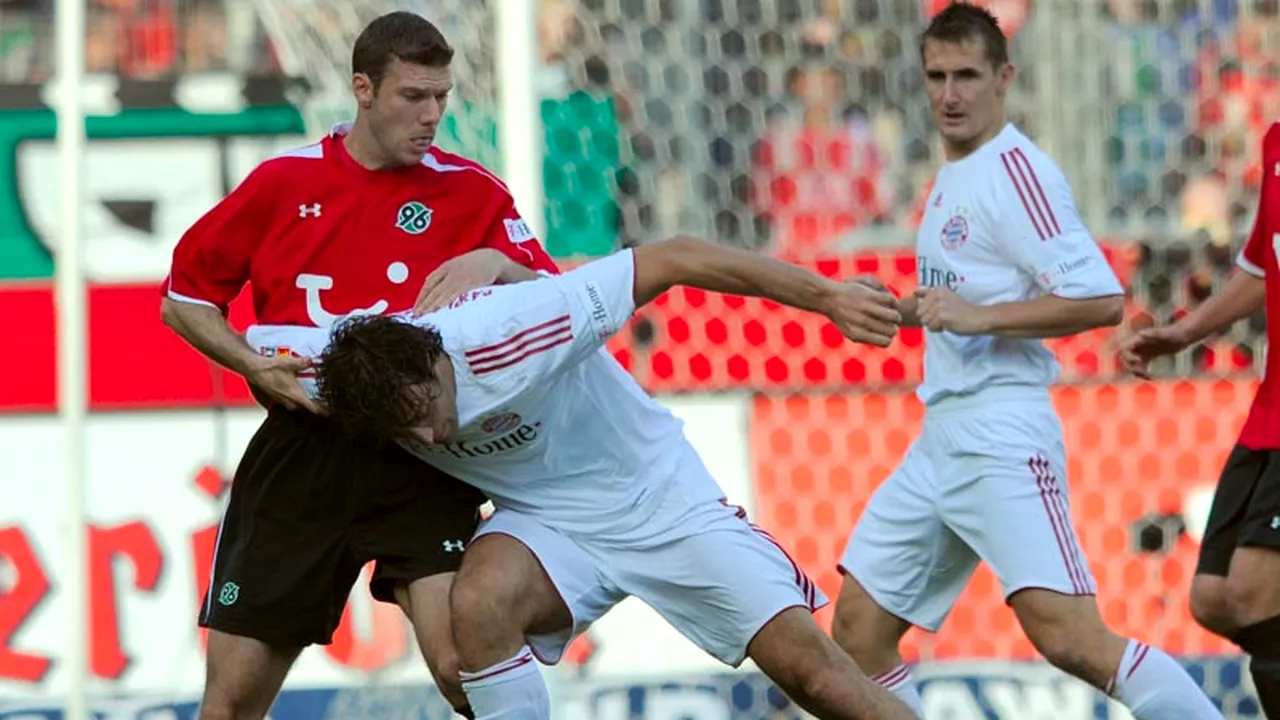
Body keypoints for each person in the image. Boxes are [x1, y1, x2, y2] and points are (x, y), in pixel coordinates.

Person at [242, 237, 916, 720]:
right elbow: (237, 335)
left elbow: (674, 257)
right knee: (478, 605)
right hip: (547, 523)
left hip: (657, 498)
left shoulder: (511, 332)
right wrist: (251, 367)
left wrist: (827, 295)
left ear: (434, 364)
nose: (426, 438)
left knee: (815, 678)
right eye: (402, 431)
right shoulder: (348, 377)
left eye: (422, 412)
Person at [827, 5, 1223, 719]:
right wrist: (905, 308)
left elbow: (1099, 297)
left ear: (1004, 77)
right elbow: (969, 292)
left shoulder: (1016, 171)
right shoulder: (954, 174)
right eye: (936, 76)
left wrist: (979, 318)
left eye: (968, 76)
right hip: (940, 440)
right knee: (856, 632)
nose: (950, 93)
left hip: (1001, 435)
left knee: (1071, 639)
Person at [159, 11, 558, 720]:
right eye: (414, 97)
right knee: (230, 705)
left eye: (442, 97)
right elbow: (185, 300)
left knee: (464, 670)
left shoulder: (474, 193)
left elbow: (554, 301)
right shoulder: (282, 184)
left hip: (423, 457)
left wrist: (499, 264)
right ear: (363, 89)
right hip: (302, 452)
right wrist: (253, 362)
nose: (433, 115)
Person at [1120, 121, 1280, 718]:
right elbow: (1263, 265)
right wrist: (1185, 331)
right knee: (1213, 596)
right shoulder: (1275, 142)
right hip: (1271, 411)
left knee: (1252, 590)